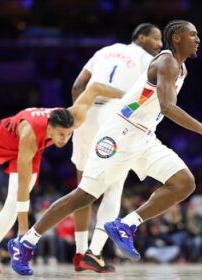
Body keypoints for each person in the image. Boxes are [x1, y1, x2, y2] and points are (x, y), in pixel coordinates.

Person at [9, 19, 202, 276]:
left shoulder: (181, 69)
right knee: (85, 195)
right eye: (193, 34)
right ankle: (25, 242)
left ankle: (127, 225)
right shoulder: (166, 62)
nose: (198, 39)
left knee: (184, 182)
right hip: (119, 133)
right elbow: (168, 107)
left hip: (144, 137)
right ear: (177, 38)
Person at [0, 82, 123, 274]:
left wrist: (130, 95)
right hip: (8, 137)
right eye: (61, 134)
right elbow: (23, 186)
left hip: (33, 148)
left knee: (11, 206)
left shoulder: (74, 117)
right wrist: (23, 231)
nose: (64, 139)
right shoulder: (30, 134)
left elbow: (95, 88)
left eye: (68, 134)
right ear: (50, 128)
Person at [70, 22, 162, 273]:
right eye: (156, 39)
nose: (160, 45)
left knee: (83, 187)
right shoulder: (147, 59)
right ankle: (94, 253)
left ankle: (79, 253)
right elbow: (149, 96)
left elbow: (78, 86)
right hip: (114, 114)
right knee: (113, 188)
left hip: (86, 110)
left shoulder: (104, 50)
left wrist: (79, 113)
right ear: (141, 38)